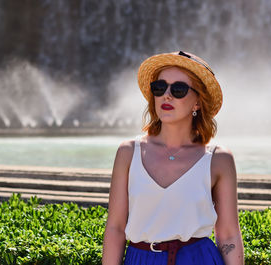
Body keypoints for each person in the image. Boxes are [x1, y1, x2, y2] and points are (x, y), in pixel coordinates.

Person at [102, 51, 244, 265]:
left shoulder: (218, 159)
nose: (166, 95)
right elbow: (115, 228)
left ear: (198, 102)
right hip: (141, 259)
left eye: (179, 89)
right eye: (160, 88)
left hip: (199, 259)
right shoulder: (128, 152)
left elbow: (228, 233)